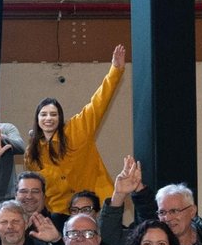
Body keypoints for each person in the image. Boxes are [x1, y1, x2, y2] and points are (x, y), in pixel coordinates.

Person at [23, 45, 126, 214]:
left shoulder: (77, 128)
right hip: (60, 213)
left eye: (53, 114)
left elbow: (99, 103)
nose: (48, 118)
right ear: (37, 120)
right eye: (44, 115)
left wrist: (115, 70)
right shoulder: (32, 153)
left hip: (96, 206)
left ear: (60, 118)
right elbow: (38, 188)